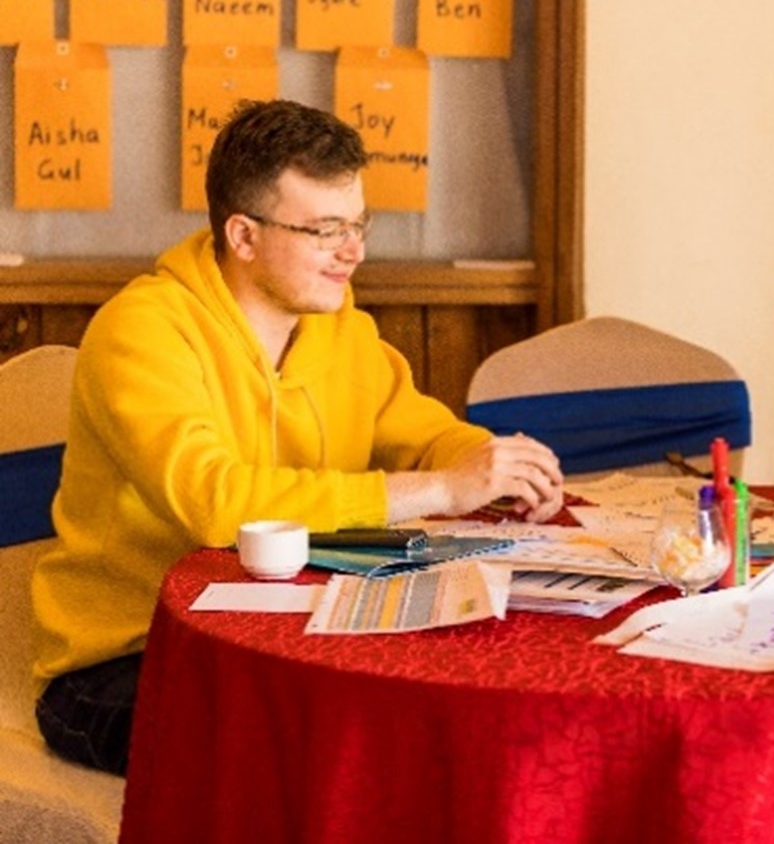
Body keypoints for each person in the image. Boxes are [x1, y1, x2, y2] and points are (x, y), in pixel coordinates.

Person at [31, 99, 564, 776]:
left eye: (359, 226)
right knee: (329, 754)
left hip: (285, 638)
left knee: (435, 723)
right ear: (244, 236)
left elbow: (420, 432)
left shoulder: (338, 324)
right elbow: (216, 505)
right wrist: (439, 489)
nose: (354, 252)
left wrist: (493, 468)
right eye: (324, 230)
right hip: (126, 661)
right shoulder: (141, 329)